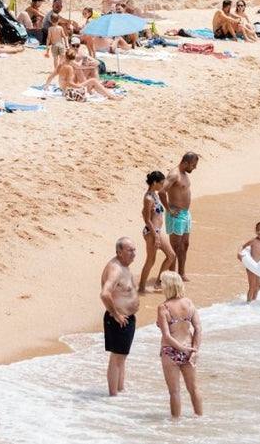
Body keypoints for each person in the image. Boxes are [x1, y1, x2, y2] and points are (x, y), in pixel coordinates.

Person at [156, 270, 203, 418]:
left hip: (171, 351)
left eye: (163, 282)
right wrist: (194, 350)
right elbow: (198, 328)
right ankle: (200, 419)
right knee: (194, 389)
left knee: (174, 391)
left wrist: (181, 348)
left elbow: (167, 336)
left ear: (168, 286)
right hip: (189, 348)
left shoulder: (164, 307)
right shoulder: (188, 303)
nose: (161, 285)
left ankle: (175, 425)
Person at [100, 237, 139, 397]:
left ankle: (120, 392)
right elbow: (104, 294)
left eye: (134, 250)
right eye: (130, 251)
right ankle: (113, 394)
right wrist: (116, 314)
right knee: (116, 358)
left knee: (122, 357)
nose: (134, 254)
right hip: (118, 319)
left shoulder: (124, 266)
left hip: (126, 319)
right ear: (119, 252)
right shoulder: (115, 269)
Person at [160, 152, 199, 281]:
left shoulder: (185, 174)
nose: (195, 168)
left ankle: (181, 273)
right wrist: (169, 209)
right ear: (186, 162)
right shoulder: (174, 174)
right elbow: (161, 191)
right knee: (175, 247)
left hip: (185, 214)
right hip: (176, 214)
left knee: (185, 245)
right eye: (193, 165)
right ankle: (172, 276)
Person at [138, 170, 177, 294]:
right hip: (152, 232)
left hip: (158, 230)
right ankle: (142, 288)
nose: (162, 185)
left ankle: (158, 283)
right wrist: (156, 236)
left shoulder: (154, 194)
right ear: (154, 182)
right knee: (151, 260)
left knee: (171, 255)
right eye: (161, 183)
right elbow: (146, 218)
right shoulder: (149, 198)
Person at [44, 48, 119, 100]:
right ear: (73, 58)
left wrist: (46, 87)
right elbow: (70, 83)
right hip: (69, 91)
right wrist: (81, 87)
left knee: (84, 74)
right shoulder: (69, 68)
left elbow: (51, 76)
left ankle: (108, 94)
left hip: (64, 90)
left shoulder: (61, 65)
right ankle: (110, 96)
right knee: (93, 80)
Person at [237, 221, 260, 302]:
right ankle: (248, 304)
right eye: (257, 230)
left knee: (258, 286)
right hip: (251, 268)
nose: (259, 232)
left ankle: (253, 302)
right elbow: (242, 246)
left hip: (258, 267)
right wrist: (239, 253)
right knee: (252, 287)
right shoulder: (254, 241)